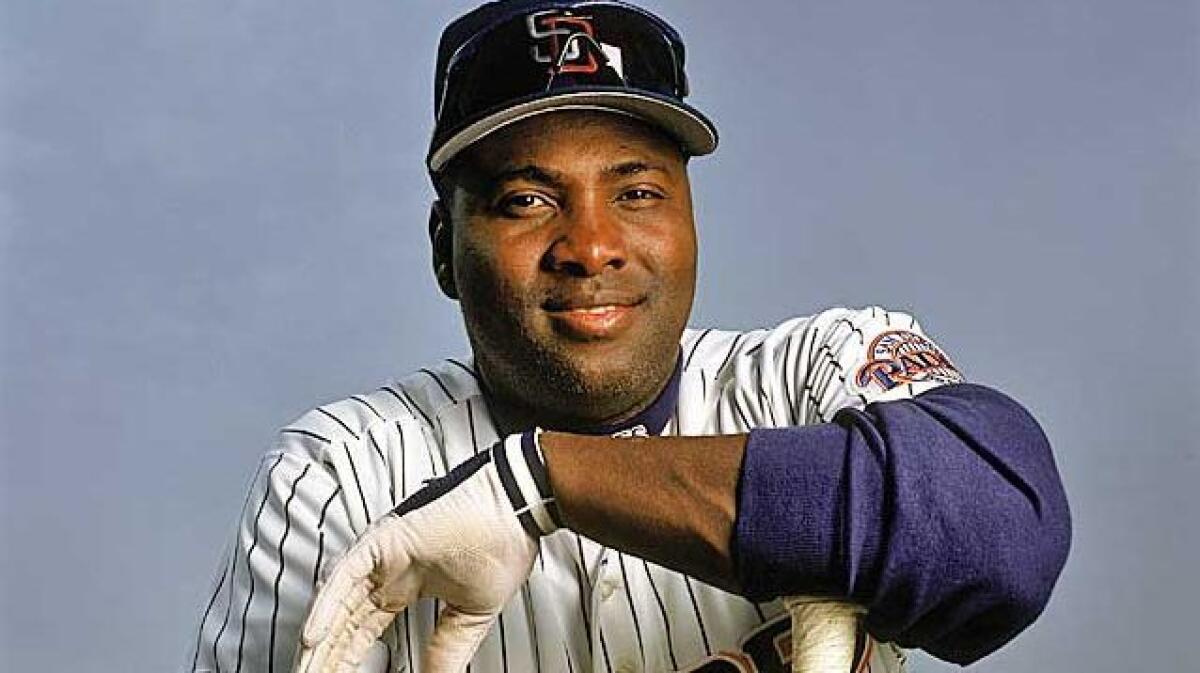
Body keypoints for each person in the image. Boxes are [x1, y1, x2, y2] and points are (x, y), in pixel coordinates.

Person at [189, 1, 1071, 672]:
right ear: (444, 252)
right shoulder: (342, 472)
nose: (593, 245)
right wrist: (820, 510)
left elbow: (1006, 536)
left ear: (691, 220)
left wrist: (538, 482)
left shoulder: (811, 374)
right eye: (526, 200)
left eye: (638, 191)